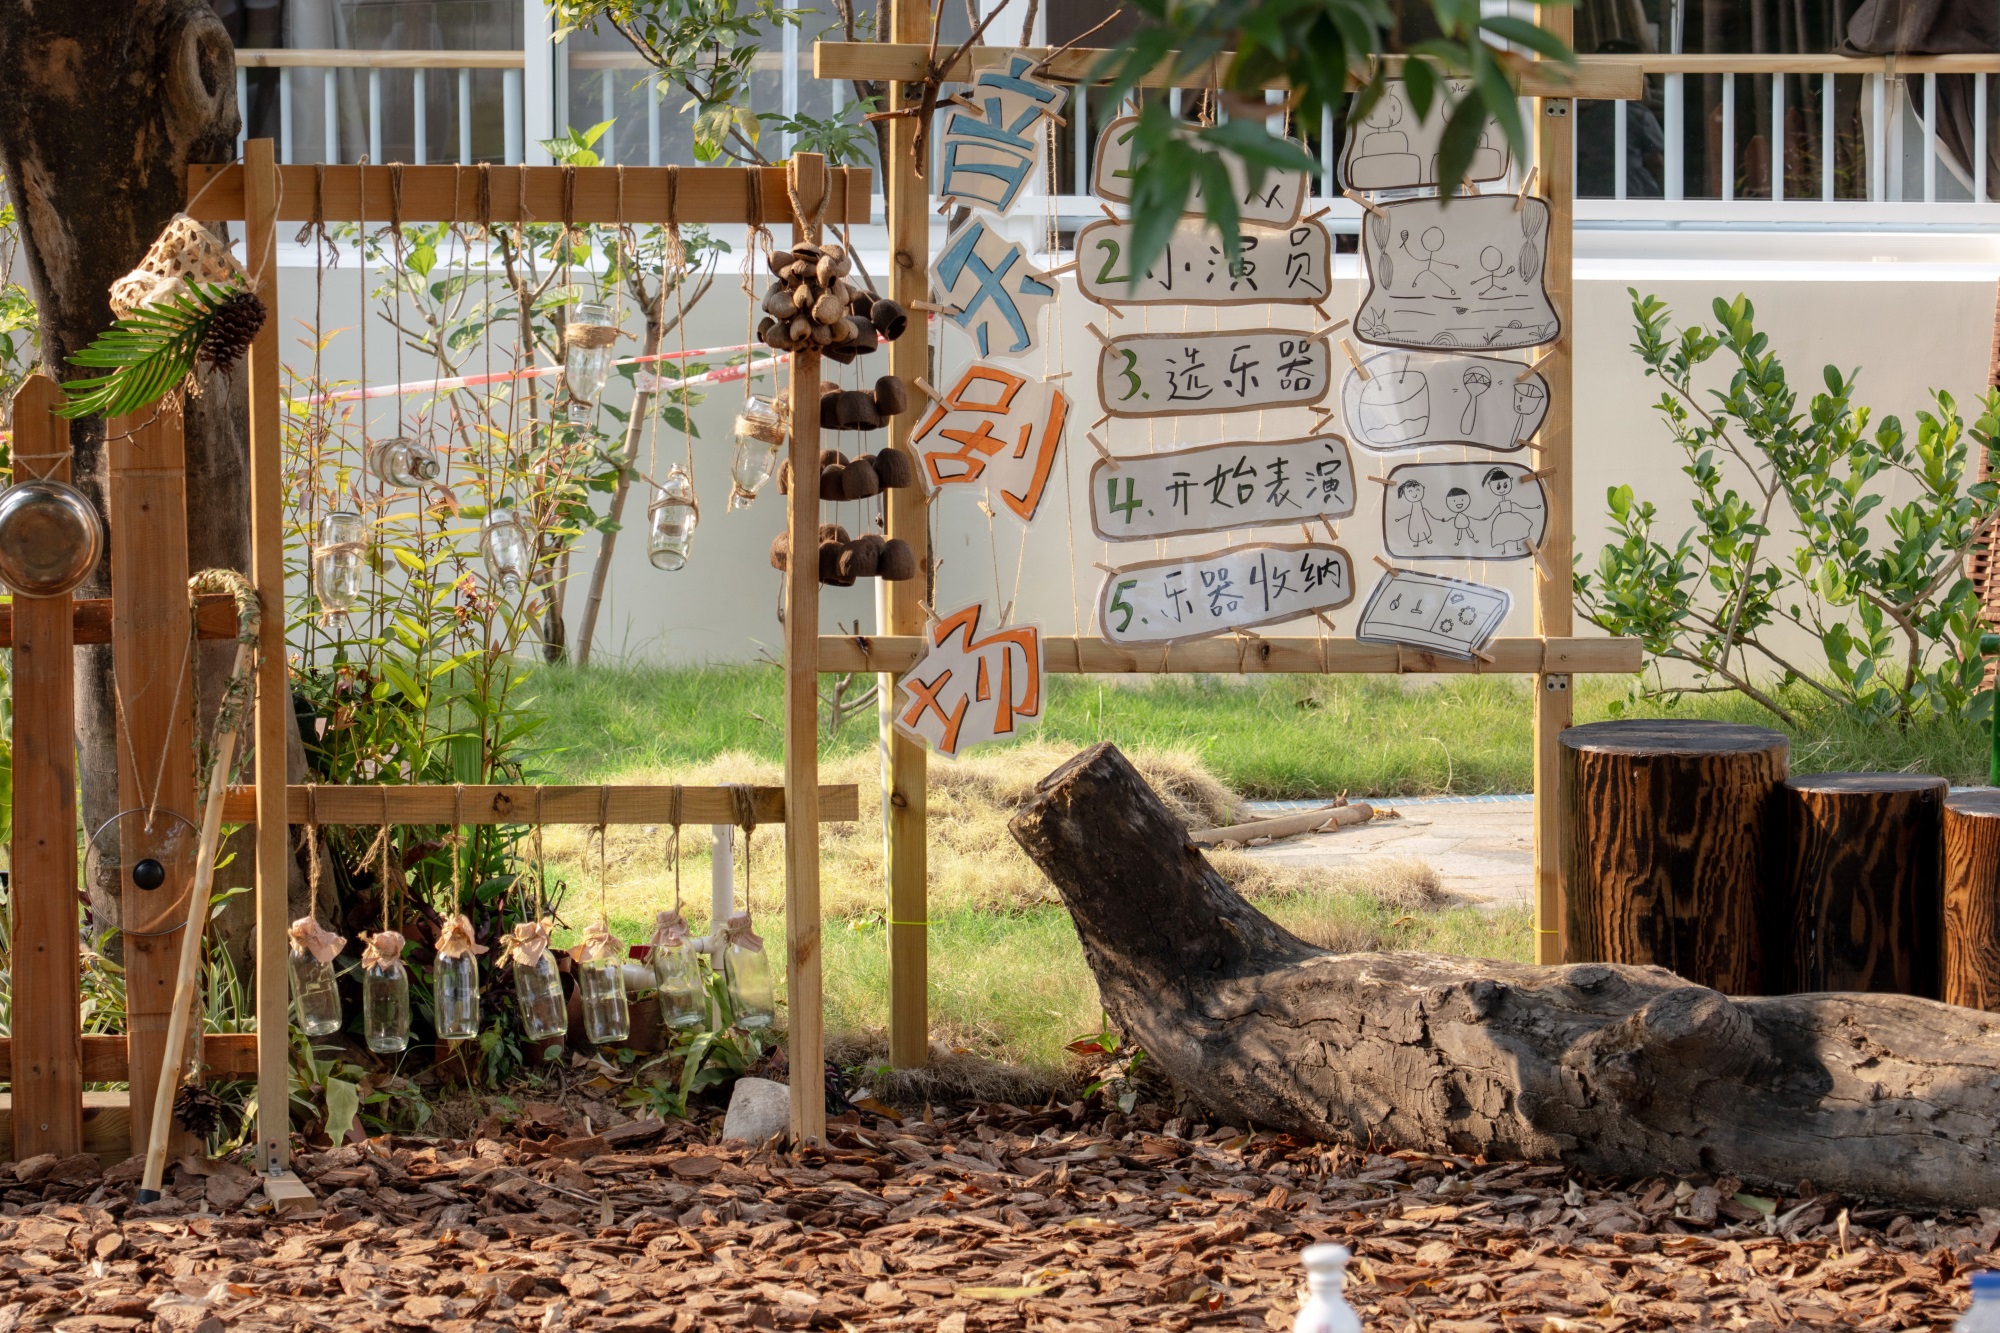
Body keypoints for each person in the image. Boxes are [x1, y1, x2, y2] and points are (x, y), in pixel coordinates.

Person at [1483, 468, 1532, 555]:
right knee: (1504, 534)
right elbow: (1495, 511)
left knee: (1515, 531)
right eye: (1498, 487)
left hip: (1511, 517)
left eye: (1505, 485)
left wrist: (1532, 508)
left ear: (1510, 481)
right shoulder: (1499, 504)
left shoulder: (1510, 502)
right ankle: (1504, 549)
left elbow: (1519, 507)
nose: (1502, 489)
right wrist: (1487, 518)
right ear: (1490, 485)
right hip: (1501, 519)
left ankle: (1517, 546)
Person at [1395, 477, 1434, 547]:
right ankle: (1417, 543)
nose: (1414, 494)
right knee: (1417, 529)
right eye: (1410, 491)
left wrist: (1437, 519)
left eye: (1417, 489)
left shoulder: (1422, 509)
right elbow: (1409, 515)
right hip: (1415, 520)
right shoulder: (1412, 509)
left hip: (1421, 519)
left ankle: (1427, 540)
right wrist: (1400, 519)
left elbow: (1426, 512)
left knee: (1423, 527)